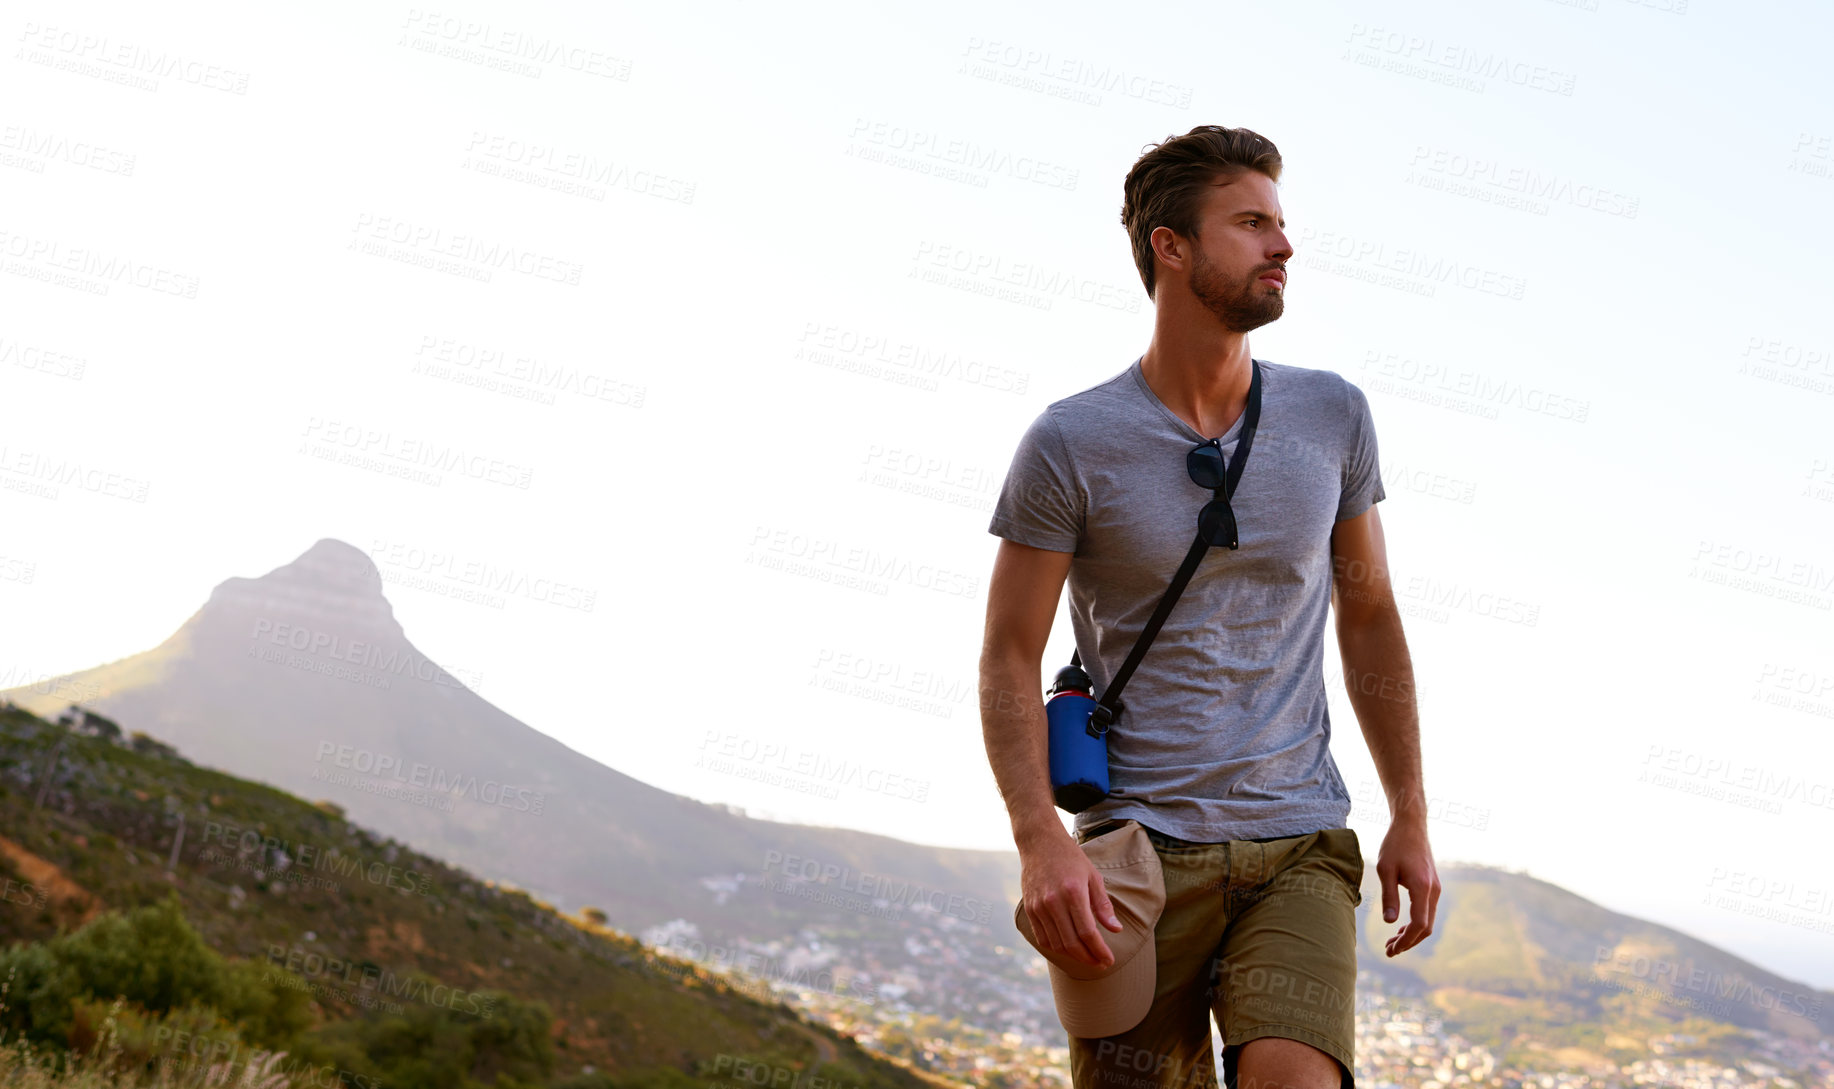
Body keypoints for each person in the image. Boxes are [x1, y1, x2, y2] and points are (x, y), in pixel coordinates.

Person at [979, 125, 1440, 1089]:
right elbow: (1008, 653)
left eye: (1280, 223)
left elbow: (1370, 618)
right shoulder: (1071, 441)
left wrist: (1410, 812)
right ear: (1172, 246)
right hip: (1136, 856)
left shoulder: (1334, 415)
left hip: (1299, 840)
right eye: (1251, 222)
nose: (1282, 245)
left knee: (1294, 1077)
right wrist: (1039, 841)